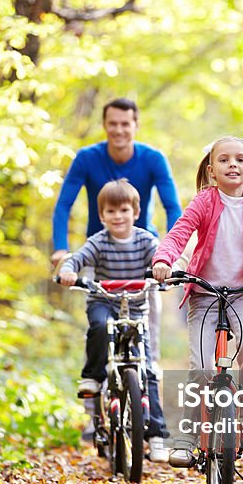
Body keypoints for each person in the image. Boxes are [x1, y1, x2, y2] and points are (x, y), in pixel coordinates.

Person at [151, 136, 243, 468]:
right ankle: (186, 438)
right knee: (202, 369)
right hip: (204, 295)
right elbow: (180, 233)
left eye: (239, 160)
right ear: (211, 170)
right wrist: (164, 260)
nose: (232, 164)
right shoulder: (204, 201)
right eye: (224, 160)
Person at [51, 97, 182, 364]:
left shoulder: (154, 159)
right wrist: (61, 249)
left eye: (125, 124)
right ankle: (96, 385)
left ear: (136, 125)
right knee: (99, 322)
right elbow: (64, 204)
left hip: (145, 252)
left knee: (147, 323)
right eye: (113, 124)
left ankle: (148, 375)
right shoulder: (87, 158)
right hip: (99, 251)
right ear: (104, 125)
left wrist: (170, 254)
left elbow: (173, 208)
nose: (119, 130)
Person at [57, 179, 169, 463]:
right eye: (110, 211)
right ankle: (93, 377)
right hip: (104, 302)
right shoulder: (99, 241)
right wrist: (69, 271)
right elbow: (77, 259)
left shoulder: (145, 240)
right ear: (102, 215)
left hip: (135, 306)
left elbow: (163, 260)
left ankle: (156, 434)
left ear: (135, 211)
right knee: (98, 327)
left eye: (123, 210)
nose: (117, 216)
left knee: (147, 368)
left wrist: (166, 270)